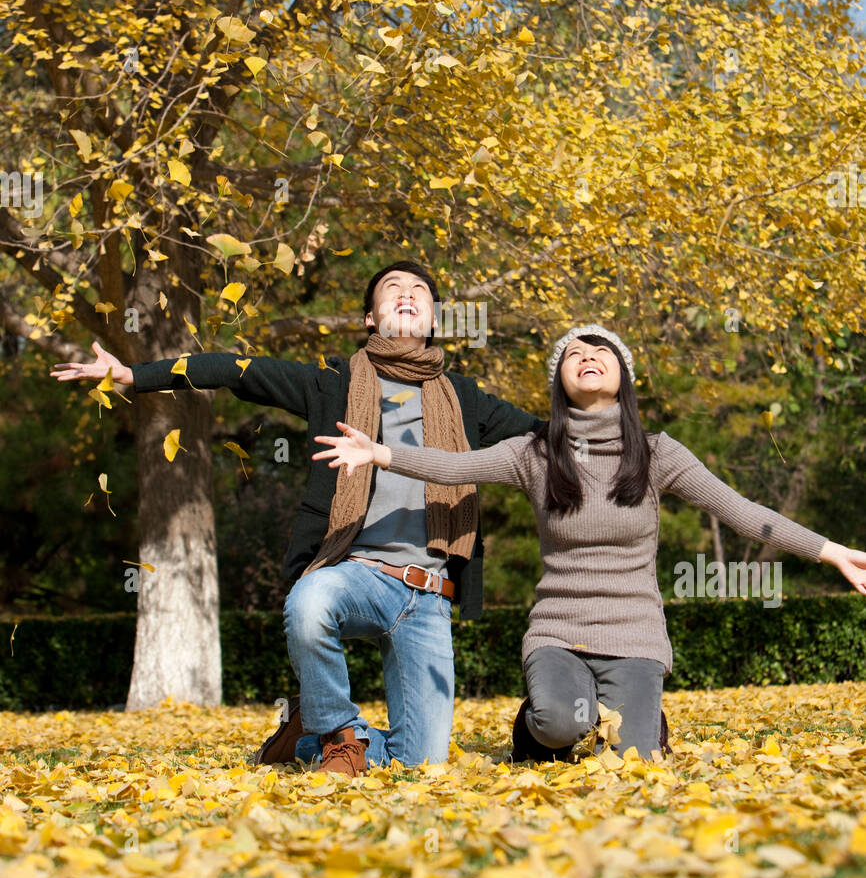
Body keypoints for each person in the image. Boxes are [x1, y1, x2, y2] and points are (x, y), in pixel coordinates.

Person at [50, 261, 544, 776]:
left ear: (434, 318)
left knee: (421, 763)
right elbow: (235, 370)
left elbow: (544, 435)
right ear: (370, 319)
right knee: (309, 604)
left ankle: (309, 740)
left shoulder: (465, 399)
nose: (407, 295)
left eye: (420, 290)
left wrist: (618, 428)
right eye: (392, 289)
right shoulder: (330, 382)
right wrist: (135, 376)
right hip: (356, 574)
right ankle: (338, 732)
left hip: (429, 593)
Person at [313, 323, 866, 762]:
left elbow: (740, 510)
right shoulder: (535, 453)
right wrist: (382, 453)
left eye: (602, 349)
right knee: (559, 725)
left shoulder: (658, 454)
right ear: (560, 382)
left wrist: (829, 550)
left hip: (635, 632)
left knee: (635, 759)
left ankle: (640, 717)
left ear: (623, 375)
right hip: (560, 629)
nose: (588, 354)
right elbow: (457, 465)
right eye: (574, 352)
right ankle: (537, 729)